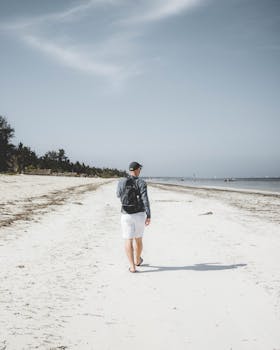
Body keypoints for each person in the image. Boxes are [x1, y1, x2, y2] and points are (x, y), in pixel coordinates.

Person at [116, 161, 151, 273]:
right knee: (139, 240)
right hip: (139, 215)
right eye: (139, 169)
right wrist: (148, 215)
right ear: (137, 170)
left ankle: (132, 267)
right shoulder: (141, 182)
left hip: (126, 214)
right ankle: (137, 260)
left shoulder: (122, 181)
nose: (140, 171)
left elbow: (117, 195)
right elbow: (145, 199)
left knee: (128, 240)